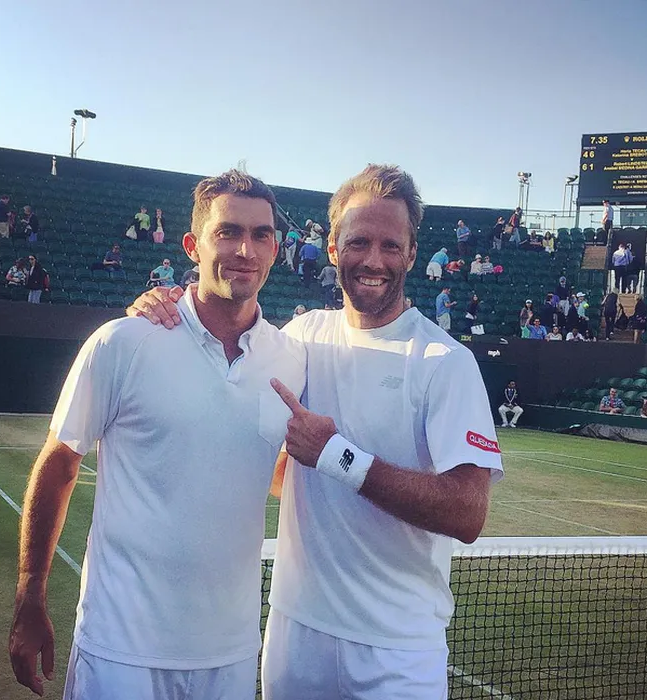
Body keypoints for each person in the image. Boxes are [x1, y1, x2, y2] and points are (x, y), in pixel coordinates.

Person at [127, 164, 503, 699]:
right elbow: (269, 461)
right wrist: (162, 305)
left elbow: (468, 514)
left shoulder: (446, 362)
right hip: (296, 634)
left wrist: (337, 457)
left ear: (411, 254)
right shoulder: (300, 338)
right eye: (359, 242)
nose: (373, 260)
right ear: (332, 247)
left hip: (399, 650)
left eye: (390, 246)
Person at [9, 170, 306, 698]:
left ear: (275, 248)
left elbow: (277, 476)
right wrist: (30, 597)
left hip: (231, 656)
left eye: (261, 235)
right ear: (192, 246)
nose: (246, 249)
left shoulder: (291, 359)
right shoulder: (122, 342)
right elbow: (59, 464)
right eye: (228, 232)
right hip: (120, 650)